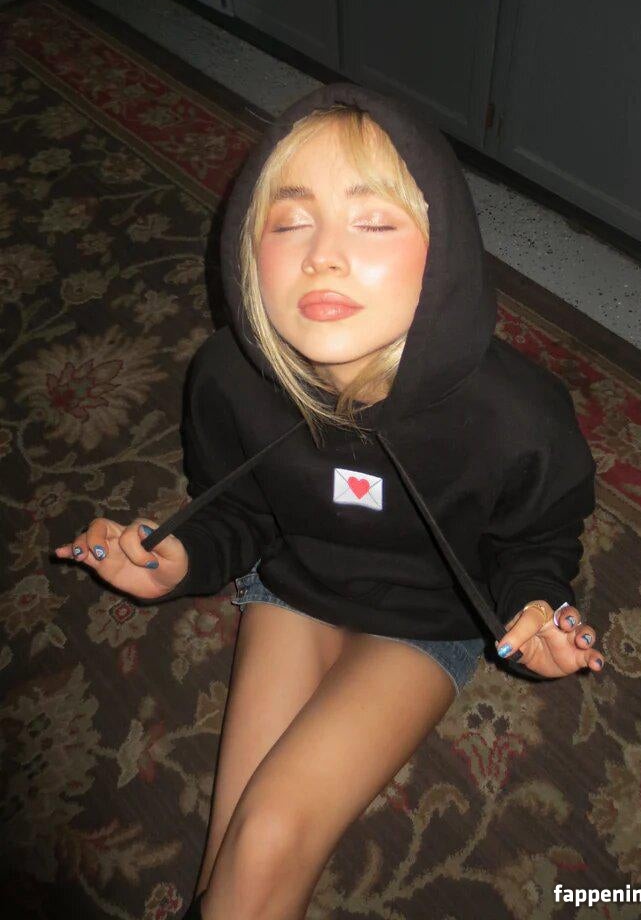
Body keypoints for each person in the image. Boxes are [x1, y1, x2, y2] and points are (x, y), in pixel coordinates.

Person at [54, 82, 604, 920]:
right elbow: (236, 509)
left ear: (448, 250)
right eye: (290, 222)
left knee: (268, 835)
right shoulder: (228, 378)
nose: (323, 256)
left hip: (432, 617)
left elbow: (538, 538)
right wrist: (180, 558)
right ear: (247, 247)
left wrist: (535, 604)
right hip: (296, 585)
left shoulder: (520, 418)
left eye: (374, 222)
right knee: (236, 853)